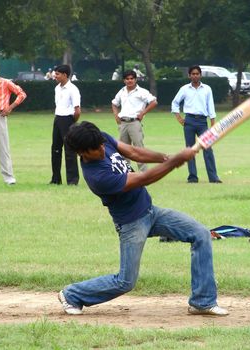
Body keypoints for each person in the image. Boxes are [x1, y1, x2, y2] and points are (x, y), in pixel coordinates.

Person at [58, 121, 228, 317]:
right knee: (125, 282)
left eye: (102, 143)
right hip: (131, 224)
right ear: (83, 153)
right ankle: (71, 294)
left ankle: (202, 301)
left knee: (200, 234)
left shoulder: (97, 138)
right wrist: (174, 162)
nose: (103, 148)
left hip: (151, 212)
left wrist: (166, 157)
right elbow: (142, 179)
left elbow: (133, 152)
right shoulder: (97, 177)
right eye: (97, 149)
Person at [171, 65, 222, 183]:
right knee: (190, 149)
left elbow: (211, 105)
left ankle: (213, 177)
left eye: (197, 73)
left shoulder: (207, 88)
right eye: (193, 74)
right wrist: (179, 117)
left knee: (207, 148)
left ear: (200, 75)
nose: (195, 76)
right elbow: (175, 103)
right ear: (189, 75)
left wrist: (213, 122)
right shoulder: (184, 89)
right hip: (189, 121)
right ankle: (192, 177)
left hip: (202, 122)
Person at [112, 70, 157, 172]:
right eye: (127, 79)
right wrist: (116, 115)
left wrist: (143, 113)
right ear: (124, 80)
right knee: (123, 149)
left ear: (136, 79)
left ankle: (144, 173)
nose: (129, 81)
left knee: (138, 148)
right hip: (123, 123)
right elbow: (114, 103)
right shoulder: (122, 91)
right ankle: (125, 172)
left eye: (132, 78)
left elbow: (154, 102)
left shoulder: (142, 92)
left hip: (134, 122)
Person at [50, 64, 81, 185]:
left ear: (65, 75)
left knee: (70, 150)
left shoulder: (73, 89)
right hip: (58, 118)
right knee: (55, 149)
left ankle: (72, 180)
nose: (55, 76)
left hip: (68, 119)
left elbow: (77, 110)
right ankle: (56, 179)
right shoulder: (57, 88)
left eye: (57, 74)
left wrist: (72, 122)